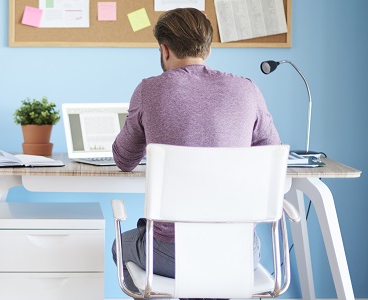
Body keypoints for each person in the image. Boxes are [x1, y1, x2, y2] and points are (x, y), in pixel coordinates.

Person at [110, 7, 282, 299]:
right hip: (239, 253)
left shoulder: (148, 91)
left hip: (170, 256)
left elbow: (124, 160)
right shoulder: (247, 90)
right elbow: (271, 154)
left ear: (165, 50)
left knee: (121, 245)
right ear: (208, 49)